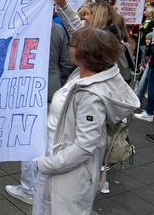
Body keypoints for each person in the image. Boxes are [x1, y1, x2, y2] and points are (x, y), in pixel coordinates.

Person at [33, 26, 139, 215]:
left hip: (68, 174)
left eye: (71, 45)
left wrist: (47, 164)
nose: (68, 47)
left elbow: (84, 146)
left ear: (84, 53)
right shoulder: (81, 73)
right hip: (56, 162)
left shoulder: (91, 96)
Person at [4, 22, 73, 205]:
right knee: (50, 139)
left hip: (28, 91)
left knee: (28, 139)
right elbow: (66, 62)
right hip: (51, 89)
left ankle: (28, 188)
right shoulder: (58, 30)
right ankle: (45, 187)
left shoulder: (18, 28)